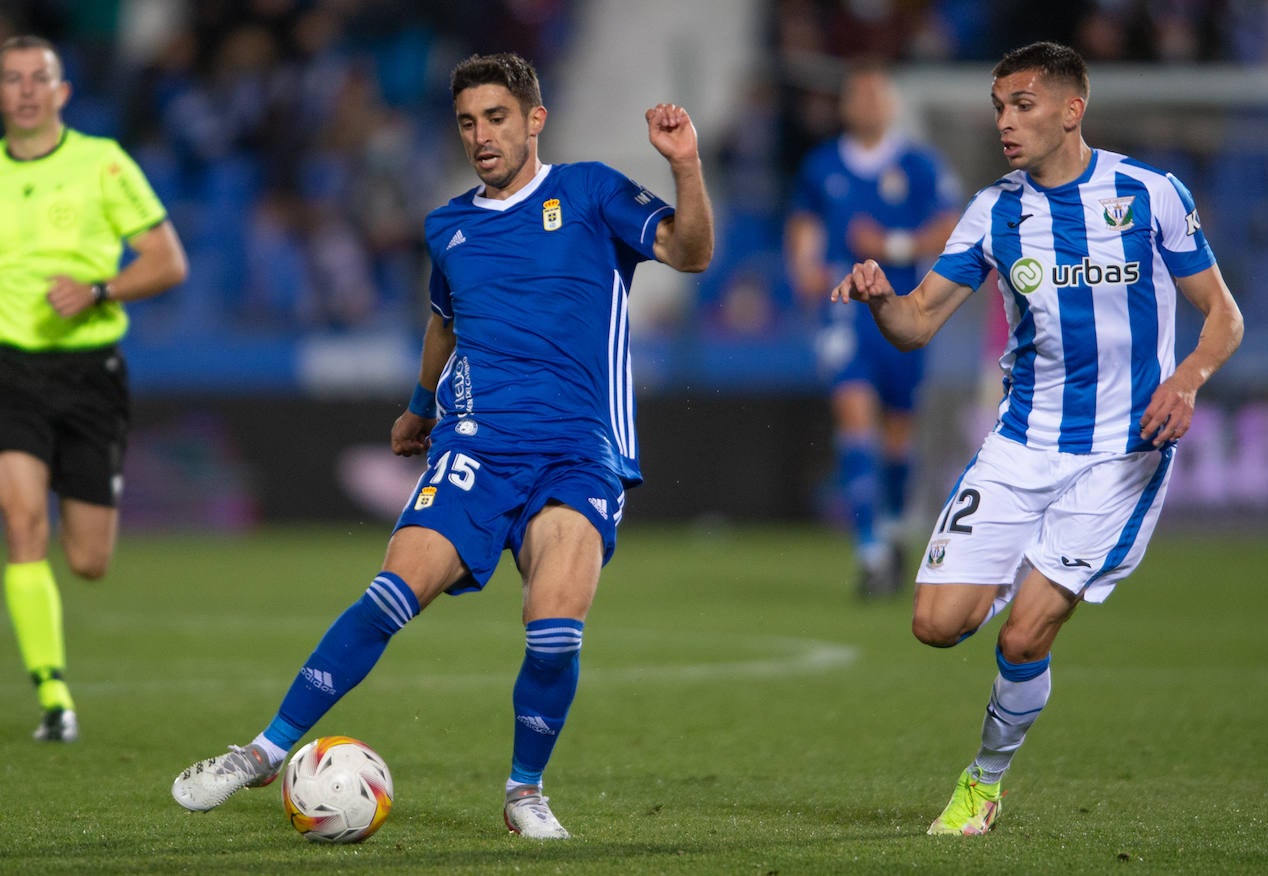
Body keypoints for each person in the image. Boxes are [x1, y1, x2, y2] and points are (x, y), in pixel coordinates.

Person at [170, 52, 713, 839]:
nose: (481, 136)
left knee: (555, 625)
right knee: (393, 590)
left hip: (578, 449)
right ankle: (260, 752)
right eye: (466, 122)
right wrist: (419, 409)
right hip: (476, 446)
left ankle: (525, 791)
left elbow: (691, 252)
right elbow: (444, 322)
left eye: (496, 118)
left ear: (535, 119)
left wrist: (687, 166)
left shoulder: (592, 191)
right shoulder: (449, 225)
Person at [830, 41, 1243, 835]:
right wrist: (882, 294)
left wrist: (1186, 379)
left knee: (1025, 632)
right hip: (1022, 443)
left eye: (1022, 105)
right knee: (936, 624)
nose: (1005, 122)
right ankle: (1005, 583)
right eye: (999, 107)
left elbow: (1223, 314)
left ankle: (982, 783)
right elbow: (916, 324)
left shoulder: (1148, 193)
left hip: (1123, 450)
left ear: (1070, 109)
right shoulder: (995, 210)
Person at [0, 35, 189, 743]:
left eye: (36, 78)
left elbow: (169, 261)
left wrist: (101, 289)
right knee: (21, 520)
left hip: (89, 376)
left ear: (61, 92)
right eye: (10, 78)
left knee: (88, 560)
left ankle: (54, 687)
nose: (23, 89)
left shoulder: (102, 163)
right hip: (10, 371)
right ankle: (53, 696)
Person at [785, 60, 961, 598]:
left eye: (873, 94)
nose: (865, 104)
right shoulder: (821, 167)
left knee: (898, 432)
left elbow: (952, 225)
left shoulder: (918, 164)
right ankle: (869, 552)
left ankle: (890, 527)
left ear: (888, 105)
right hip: (844, 312)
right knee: (854, 413)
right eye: (856, 95)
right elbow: (804, 224)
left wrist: (891, 248)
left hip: (903, 309)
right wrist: (804, 268)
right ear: (845, 106)